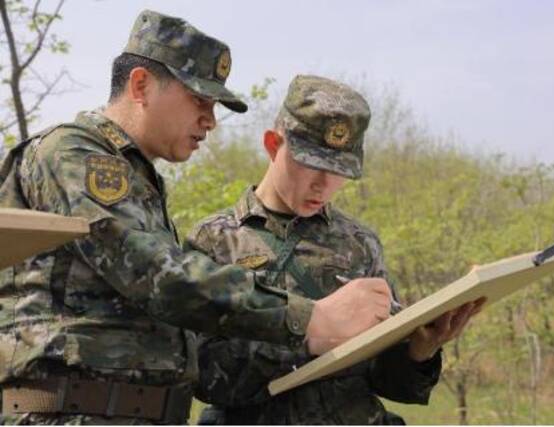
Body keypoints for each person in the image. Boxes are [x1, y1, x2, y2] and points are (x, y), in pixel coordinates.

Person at [0, 12, 392, 425]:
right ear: (141, 85)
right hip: (74, 412)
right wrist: (308, 318)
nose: (211, 119)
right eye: (199, 100)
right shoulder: (73, 153)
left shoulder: (136, 179)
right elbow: (156, 274)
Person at [188, 75, 485, 425]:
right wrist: (310, 337)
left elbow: (384, 380)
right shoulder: (214, 241)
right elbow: (201, 374)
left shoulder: (360, 243)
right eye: (313, 165)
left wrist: (419, 352)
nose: (324, 185)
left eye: (338, 170)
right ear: (272, 145)